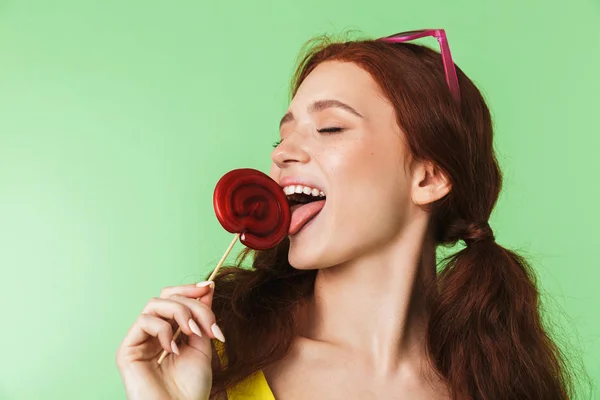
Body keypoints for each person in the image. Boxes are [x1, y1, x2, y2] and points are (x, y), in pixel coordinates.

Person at [116, 29, 575, 399]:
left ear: (429, 177)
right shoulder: (213, 363)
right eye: (282, 137)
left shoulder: (498, 385)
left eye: (330, 127)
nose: (282, 155)